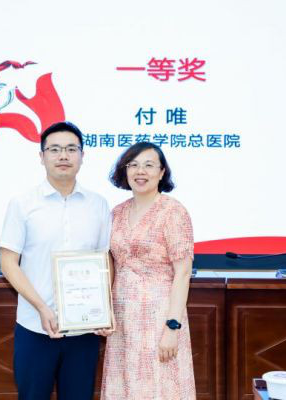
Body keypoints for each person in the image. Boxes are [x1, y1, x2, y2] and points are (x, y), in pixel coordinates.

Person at [0, 121, 111, 400]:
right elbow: (8, 262)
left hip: (84, 329)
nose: (63, 156)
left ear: (82, 156)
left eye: (71, 149)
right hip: (35, 326)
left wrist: (103, 308)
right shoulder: (22, 203)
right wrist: (41, 307)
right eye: (55, 149)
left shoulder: (98, 204)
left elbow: (104, 260)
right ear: (42, 156)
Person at [101, 142, 196, 399]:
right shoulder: (117, 213)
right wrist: (103, 312)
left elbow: (183, 273)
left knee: (159, 386)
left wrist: (172, 327)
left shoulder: (173, 212)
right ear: (125, 171)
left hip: (159, 318)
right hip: (122, 319)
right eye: (133, 165)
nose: (140, 171)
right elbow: (110, 264)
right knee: (125, 386)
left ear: (162, 172)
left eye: (149, 165)